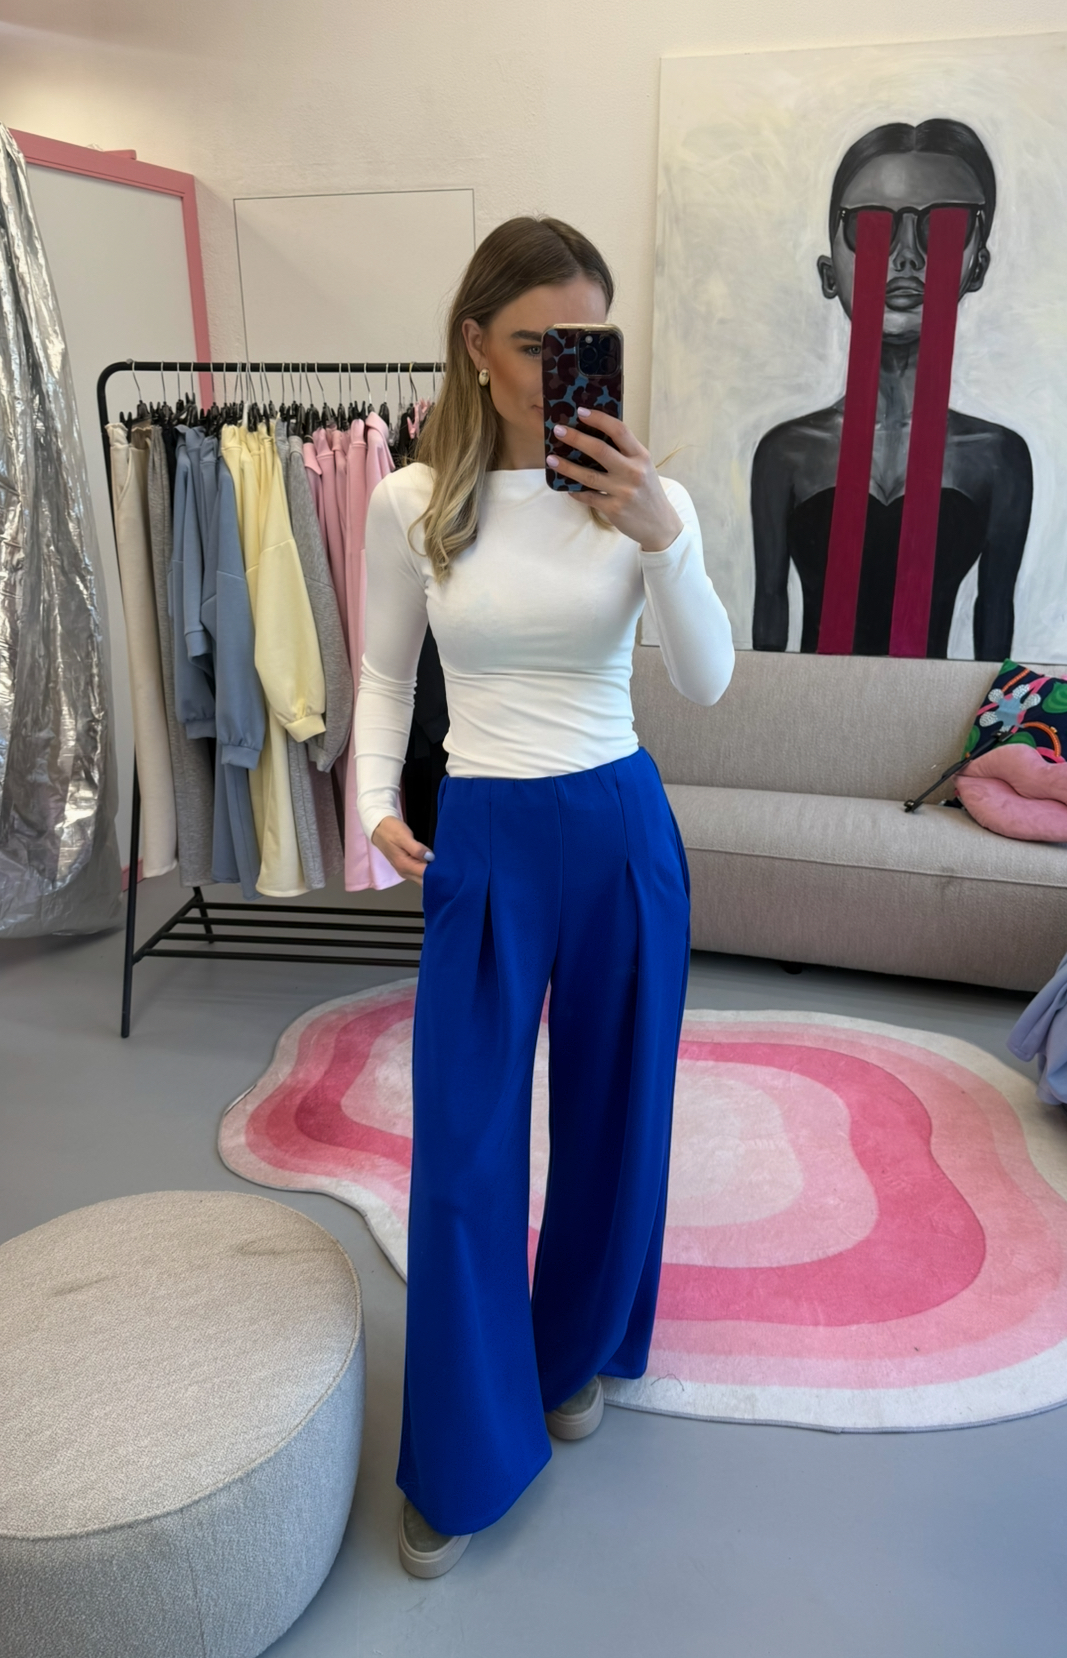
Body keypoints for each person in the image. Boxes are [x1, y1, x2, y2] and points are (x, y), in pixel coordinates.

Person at [354, 216, 734, 1578]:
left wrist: (661, 537)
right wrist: (372, 805)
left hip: (619, 823)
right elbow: (384, 674)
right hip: (484, 833)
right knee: (461, 1145)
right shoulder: (411, 500)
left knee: (615, 1114)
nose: (556, 368)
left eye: (582, 341)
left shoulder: (645, 498)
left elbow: (706, 679)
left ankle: (572, 1350)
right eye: (531, 343)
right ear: (474, 344)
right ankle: (461, 1454)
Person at [751, 118, 1032, 657]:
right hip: (809, 702)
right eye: (870, 226)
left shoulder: (999, 459)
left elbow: (995, 630)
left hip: (936, 710)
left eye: (944, 225)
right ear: (829, 273)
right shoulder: (786, 453)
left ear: (978, 267)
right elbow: (769, 618)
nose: (906, 256)